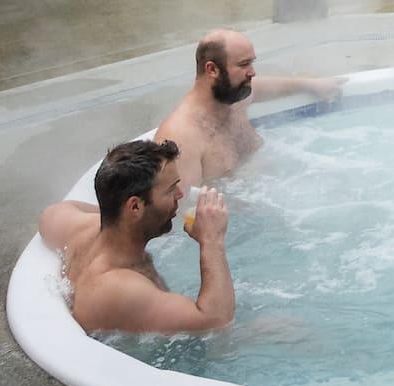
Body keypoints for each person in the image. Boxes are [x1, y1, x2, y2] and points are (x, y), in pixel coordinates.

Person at [36, 138, 234, 335]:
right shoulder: (120, 287)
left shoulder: (81, 229)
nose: (180, 195)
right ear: (135, 207)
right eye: (171, 189)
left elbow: (50, 215)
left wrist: (117, 216)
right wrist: (211, 240)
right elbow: (216, 320)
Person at [158, 28, 343, 186]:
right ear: (212, 70)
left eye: (252, 63)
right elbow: (180, 212)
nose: (252, 72)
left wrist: (309, 84)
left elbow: (263, 87)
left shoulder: (234, 98)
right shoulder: (181, 138)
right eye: (244, 64)